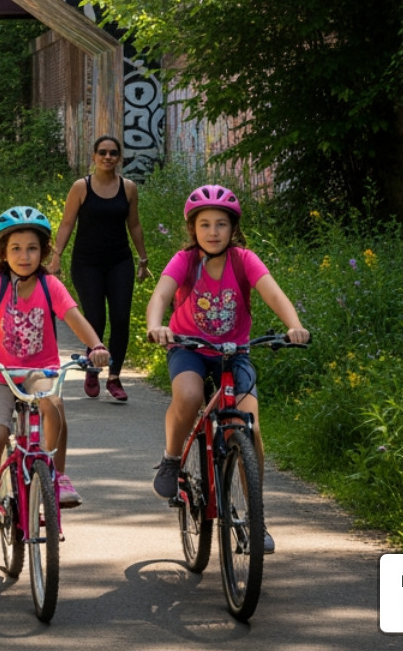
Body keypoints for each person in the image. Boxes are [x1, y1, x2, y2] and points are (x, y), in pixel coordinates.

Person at [143, 185, 310, 553]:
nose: (213, 232)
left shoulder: (244, 259)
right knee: (188, 395)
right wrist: (157, 324)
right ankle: (172, 460)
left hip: (235, 352)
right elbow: (161, 295)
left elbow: (273, 293)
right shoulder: (185, 260)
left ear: (234, 229)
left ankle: (256, 518)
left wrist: (293, 325)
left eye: (221, 224)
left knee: (250, 428)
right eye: (205, 224)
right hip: (189, 348)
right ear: (193, 229)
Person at [0, 206, 110, 537]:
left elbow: (75, 319)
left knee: (54, 405)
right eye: (16, 249)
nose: (25, 256)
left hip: (39, 369)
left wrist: (96, 346)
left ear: (44, 251)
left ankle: (56, 476)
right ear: (2, 253)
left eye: (33, 248)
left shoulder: (50, 286)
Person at [48, 135, 150, 403]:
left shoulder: (128, 188)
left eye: (113, 153)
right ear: (94, 157)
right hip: (86, 263)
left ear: (119, 158)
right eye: (102, 152)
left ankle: (114, 377)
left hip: (120, 261)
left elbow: (135, 225)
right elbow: (68, 222)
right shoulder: (81, 187)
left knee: (120, 319)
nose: (108, 157)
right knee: (94, 318)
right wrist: (56, 256)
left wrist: (143, 258)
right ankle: (93, 367)